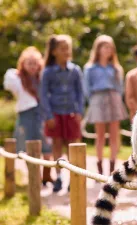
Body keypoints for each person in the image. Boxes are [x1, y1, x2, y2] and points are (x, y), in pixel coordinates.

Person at [3, 46, 53, 185]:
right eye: (29, 63)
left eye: (35, 63)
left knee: (46, 146)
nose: (32, 66)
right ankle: (34, 177)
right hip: (26, 115)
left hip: (41, 115)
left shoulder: (43, 79)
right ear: (23, 64)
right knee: (27, 146)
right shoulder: (18, 79)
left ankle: (46, 175)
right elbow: (8, 82)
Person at [41, 35, 84, 192]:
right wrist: (48, 115)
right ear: (54, 52)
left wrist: (79, 111)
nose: (66, 51)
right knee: (57, 145)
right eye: (62, 48)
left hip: (71, 113)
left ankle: (74, 177)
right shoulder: (48, 72)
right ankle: (59, 176)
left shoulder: (75, 70)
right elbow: (43, 95)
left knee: (72, 145)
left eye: (68, 48)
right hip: (55, 114)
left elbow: (80, 92)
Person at [83, 35, 128, 175]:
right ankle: (99, 166)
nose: (108, 50)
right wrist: (94, 101)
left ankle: (112, 167)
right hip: (97, 98)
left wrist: (116, 99)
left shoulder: (116, 68)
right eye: (105, 47)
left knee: (114, 134)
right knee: (100, 135)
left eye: (110, 47)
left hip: (113, 98)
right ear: (98, 49)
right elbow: (86, 88)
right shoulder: (90, 68)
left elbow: (120, 88)